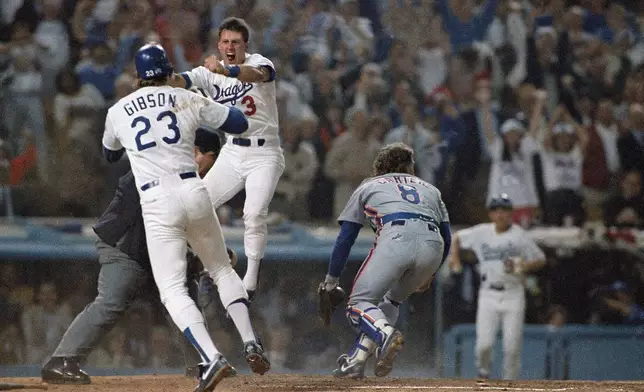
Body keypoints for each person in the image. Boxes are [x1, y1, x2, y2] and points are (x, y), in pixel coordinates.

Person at [101, 43, 269, 392]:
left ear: (137, 76)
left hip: (157, 199)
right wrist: (193, 92)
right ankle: (251, 341)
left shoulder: (119, 109)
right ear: (168, 71)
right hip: (193, 189)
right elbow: (238, 123)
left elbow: (109, 154)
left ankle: (212, 357)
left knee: (173, 289)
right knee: (221, 268)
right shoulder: (185, 96)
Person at [40, 129, 231, 384]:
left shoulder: (186, 175)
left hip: (155, 247)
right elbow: (148, 226)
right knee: (112, 301)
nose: (214, 166)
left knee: (183, 302)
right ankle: (61, 361)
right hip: (126, 244)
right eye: (212, 158)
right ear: (197, 152)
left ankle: (203, 363)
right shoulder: (160, 167)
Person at [171, 17, 285, 300]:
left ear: (245, 44)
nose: (230, 46)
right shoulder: (208, 72)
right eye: (225, 42)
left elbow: (257, 75)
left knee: (254, 213)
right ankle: (218, 262)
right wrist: (157, 79)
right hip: (233, 151)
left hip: (265, 152)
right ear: (218, 44)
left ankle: (250, 281)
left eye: (236, 42)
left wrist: (227, 70)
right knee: (196, 207)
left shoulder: (260, 62)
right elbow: (180, 81)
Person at [319, 142, 452, 379]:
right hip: (434, 245)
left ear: (381, 167)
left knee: (358, 304)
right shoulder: (431, 189)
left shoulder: (369, 185)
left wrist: (331, 279)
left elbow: (346, 237)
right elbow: (447, 236)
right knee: (390, 302)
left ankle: (385, 334)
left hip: (396, 236)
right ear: (410, 167)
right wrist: (431, 272)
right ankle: (357, 361)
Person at [449, 194, 546, 380]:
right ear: (490, 213)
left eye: (504, 209)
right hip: (488, 294)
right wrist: (455, 261)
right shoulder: (482, 232)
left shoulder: (519, 235)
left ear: (510, 212)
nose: (500, 214)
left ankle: (510, 384)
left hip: (513, 293)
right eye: (496, 210)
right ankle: (483, 372)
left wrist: (524, 265)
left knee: (512, 347)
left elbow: (540, 258)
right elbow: (457, 238)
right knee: (484, 345)